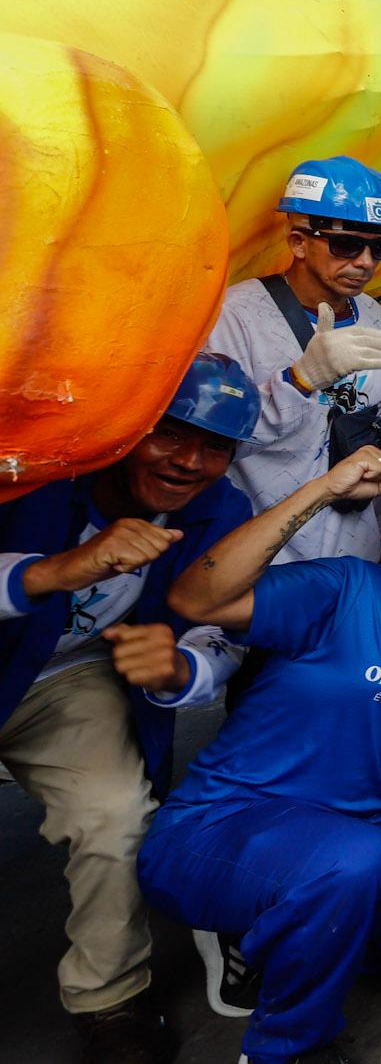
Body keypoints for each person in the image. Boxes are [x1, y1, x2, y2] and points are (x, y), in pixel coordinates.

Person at [140, 439, 381, 1064]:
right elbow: (195, 599)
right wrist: (323, 489)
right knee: (349, 860)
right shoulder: (344, 586)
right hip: (224, 823)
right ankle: (284, 1047)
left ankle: (288, 934)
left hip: (359, 834)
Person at [0, 355, 260, 1062]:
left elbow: (223, 634)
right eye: (170, 433)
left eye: (215, 446)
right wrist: (56, 571)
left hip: (63, 681)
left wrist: (181, 668)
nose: (189, 461)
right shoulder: (36, 463)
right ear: (128, 425)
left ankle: (110, 1000)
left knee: (116, 814)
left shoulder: (221, 511)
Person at [205, 155, 381, 561]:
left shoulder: (376, 318)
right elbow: (214, 443)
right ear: (299, 242)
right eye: (347, 245)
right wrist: (299, 380)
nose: (365, 262)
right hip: (260, 553)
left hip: (351, 552)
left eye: (379, 247)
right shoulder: (237, 317)